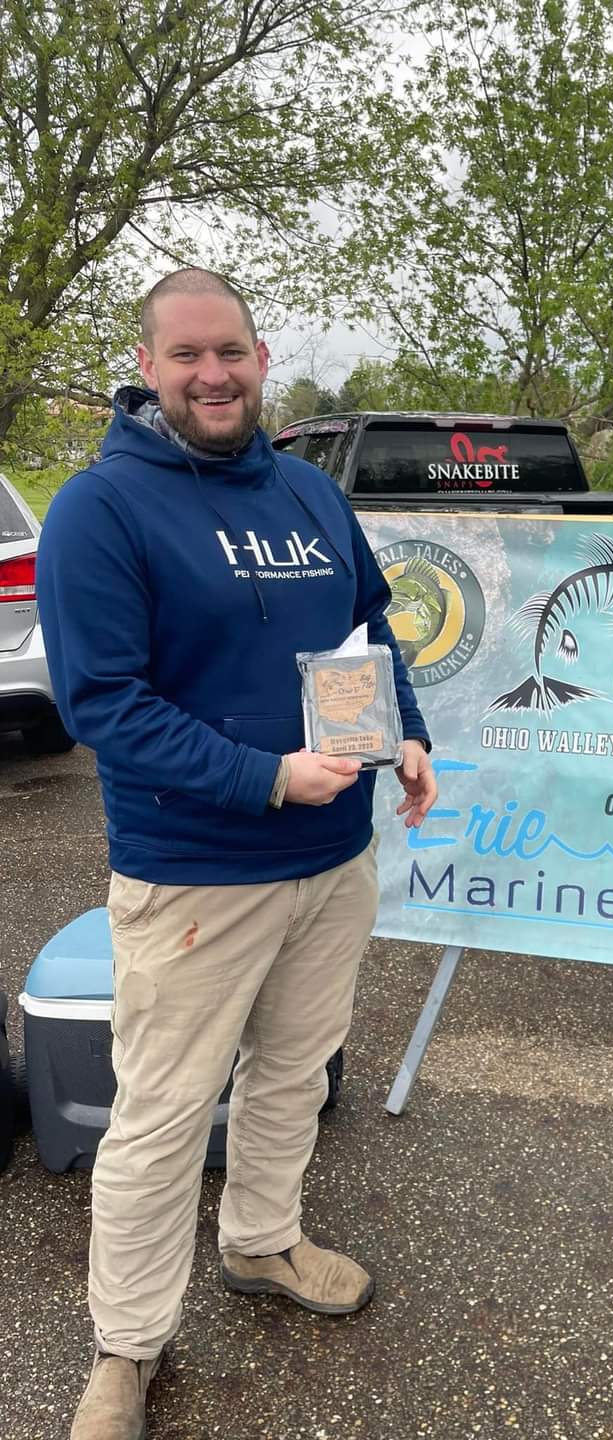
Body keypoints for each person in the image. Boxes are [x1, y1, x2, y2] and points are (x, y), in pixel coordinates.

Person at [37, 268, 437, 1440]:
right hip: (197, 871)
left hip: (332, 857)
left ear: (263, 359)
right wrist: (262, 777)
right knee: (160, 1115)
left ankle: (262, 1242)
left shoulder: (311, 491)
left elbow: (372, 631)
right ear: (150, 368)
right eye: (188, 356)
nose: (214, 375)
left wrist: (405, 732)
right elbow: (102, 702)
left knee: (294, 1076)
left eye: (233, 353)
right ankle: (128, 1345)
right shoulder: (100, 510)